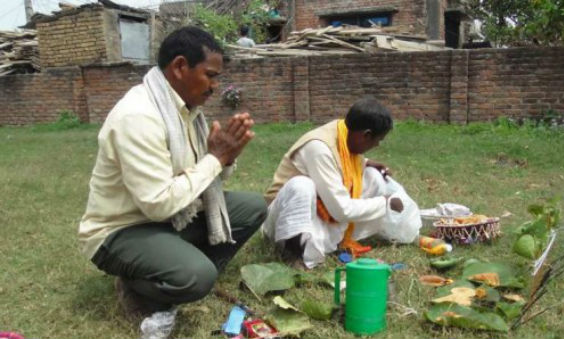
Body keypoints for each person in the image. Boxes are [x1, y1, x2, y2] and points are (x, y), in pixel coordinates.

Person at [77, 26, 267, 336]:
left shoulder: (187, 113)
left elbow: (197, 180)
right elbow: (158, 203)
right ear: (179, 67)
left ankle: (174, 271)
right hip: (120, 231)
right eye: (210, 75)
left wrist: (226, 159)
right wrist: (215, 159)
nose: (215, 87)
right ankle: (142, 286)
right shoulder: (138, 116)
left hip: (169, 217)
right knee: (197, 277)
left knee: (254, 207)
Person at [262, 97, 420, 269]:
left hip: (319, 209)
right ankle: (293, 253)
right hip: (281, 221)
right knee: (301, 185)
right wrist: (385, 203)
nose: (377, 145)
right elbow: (341, 210)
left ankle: (336, 240)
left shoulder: (346, 132)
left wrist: (365, 161)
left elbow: (340, 161)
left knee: (374, 177)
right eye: (377, 140)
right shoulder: (319, 148)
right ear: (366, 135)